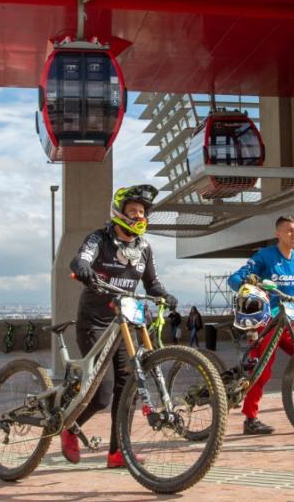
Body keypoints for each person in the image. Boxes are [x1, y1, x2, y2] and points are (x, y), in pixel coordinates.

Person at [66, 184, 178, 468]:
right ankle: (70, 425)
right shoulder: (99, 238)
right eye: (132, 211)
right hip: (94, 322)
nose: (138, 216)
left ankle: (118, 453)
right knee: (102, 394)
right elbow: (82, 259)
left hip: (124, 325)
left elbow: (151, 283)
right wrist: (82, 268)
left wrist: (164, 294)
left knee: (126, 387)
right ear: (119, 212)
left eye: (142, 212)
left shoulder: (144, 249)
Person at [228, 215, 294, 436]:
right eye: (290, 230)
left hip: (289, 320)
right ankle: (251, 419)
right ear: (278, 234)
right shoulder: (265, 256)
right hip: (266, 320)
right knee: (261, 370)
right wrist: (248, 282)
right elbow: (234, 279)